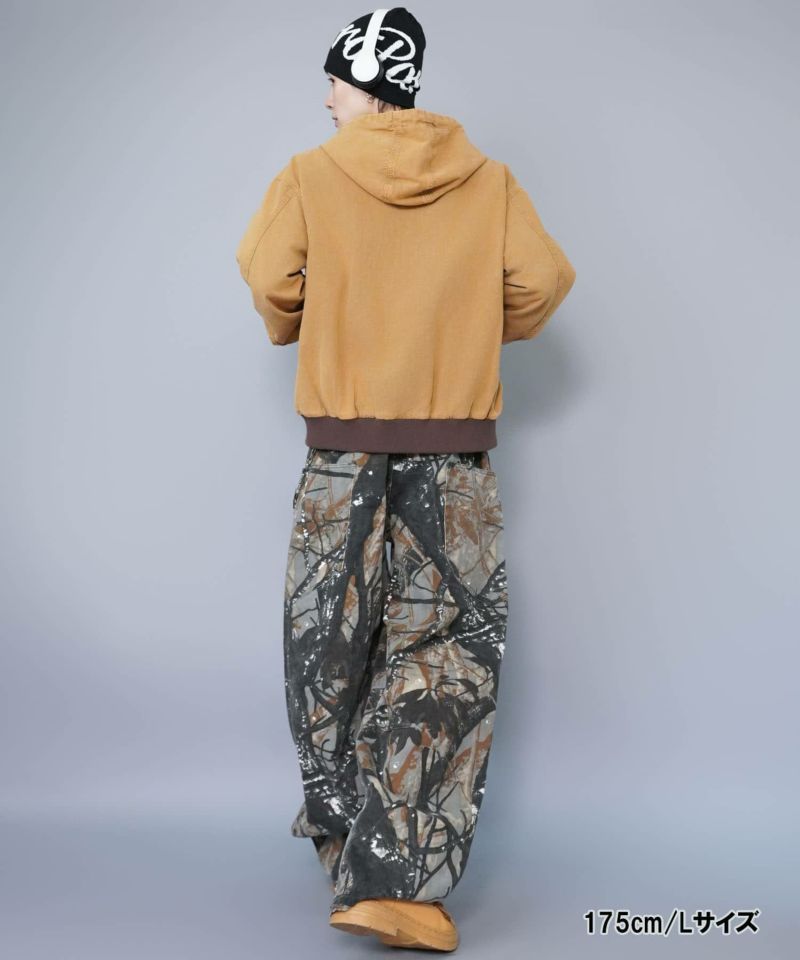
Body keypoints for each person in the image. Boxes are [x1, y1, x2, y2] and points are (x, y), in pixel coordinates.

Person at [235, 7, 576, 952]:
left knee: (327, 652)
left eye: (334, 83)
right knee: (445, 661)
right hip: (453, 463)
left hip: (340, 458)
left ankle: (353, 857)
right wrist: (461, 325)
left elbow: (268, 280)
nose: (327, 101)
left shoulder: (309, 176)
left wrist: (325, 317)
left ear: (365, 83)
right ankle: (399, 884)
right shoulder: (489, 181)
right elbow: (542, 283)